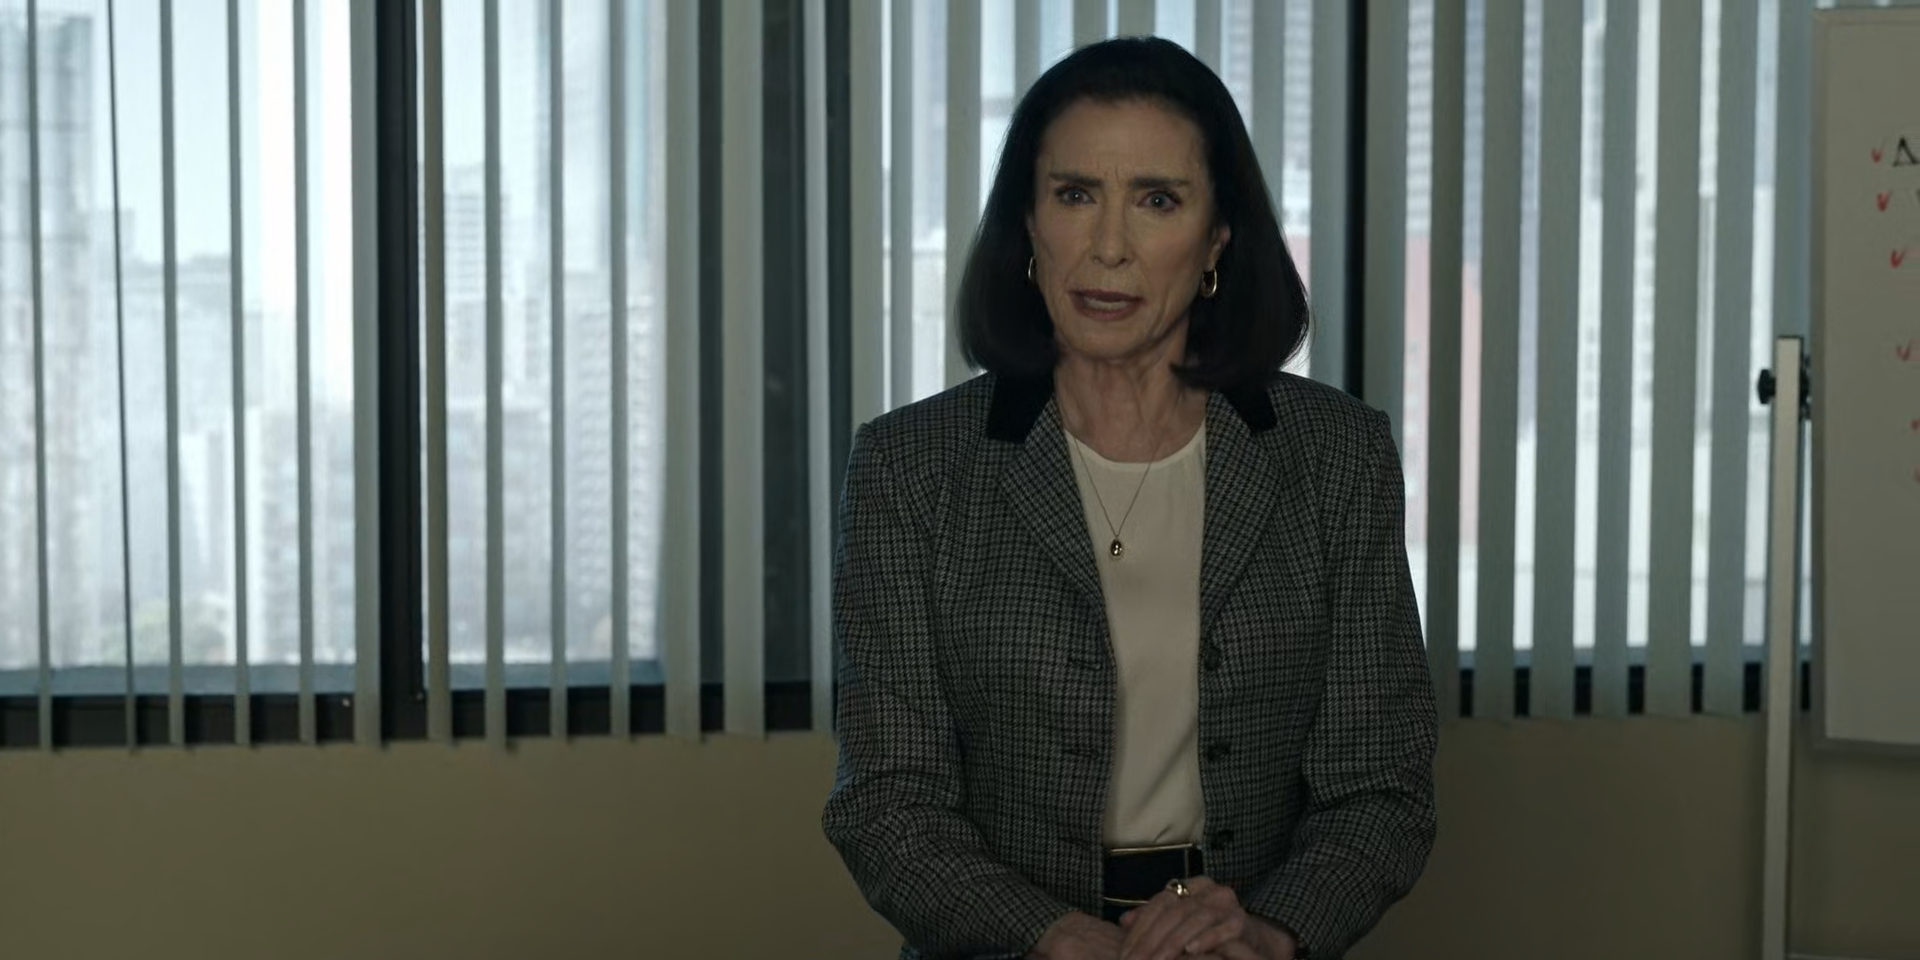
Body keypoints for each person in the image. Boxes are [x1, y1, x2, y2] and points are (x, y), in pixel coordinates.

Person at [823, 36, 1437, 960]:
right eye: (1075, 195)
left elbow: (1380, 788)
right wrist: (1052, 936)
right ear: (1029, 224)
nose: (1108, 247)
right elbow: (886, 801)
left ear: (1217, 238)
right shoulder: (910, 467)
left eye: (1157, 200)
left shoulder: (1335, 456)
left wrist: (1270, 930)